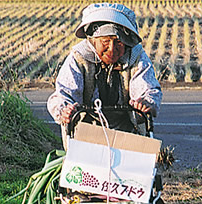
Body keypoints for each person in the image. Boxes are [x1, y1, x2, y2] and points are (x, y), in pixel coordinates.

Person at [47, 2, 162, 141]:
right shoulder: (79, 58)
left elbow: (148, 89)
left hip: (128, 132)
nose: (112, 49)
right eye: (105, 41)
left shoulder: (136, 57)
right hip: (86, 132)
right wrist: (64, 110)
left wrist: (145, 103)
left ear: (126, 42)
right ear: (93, 41)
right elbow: (64, 94)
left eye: (118, 42)